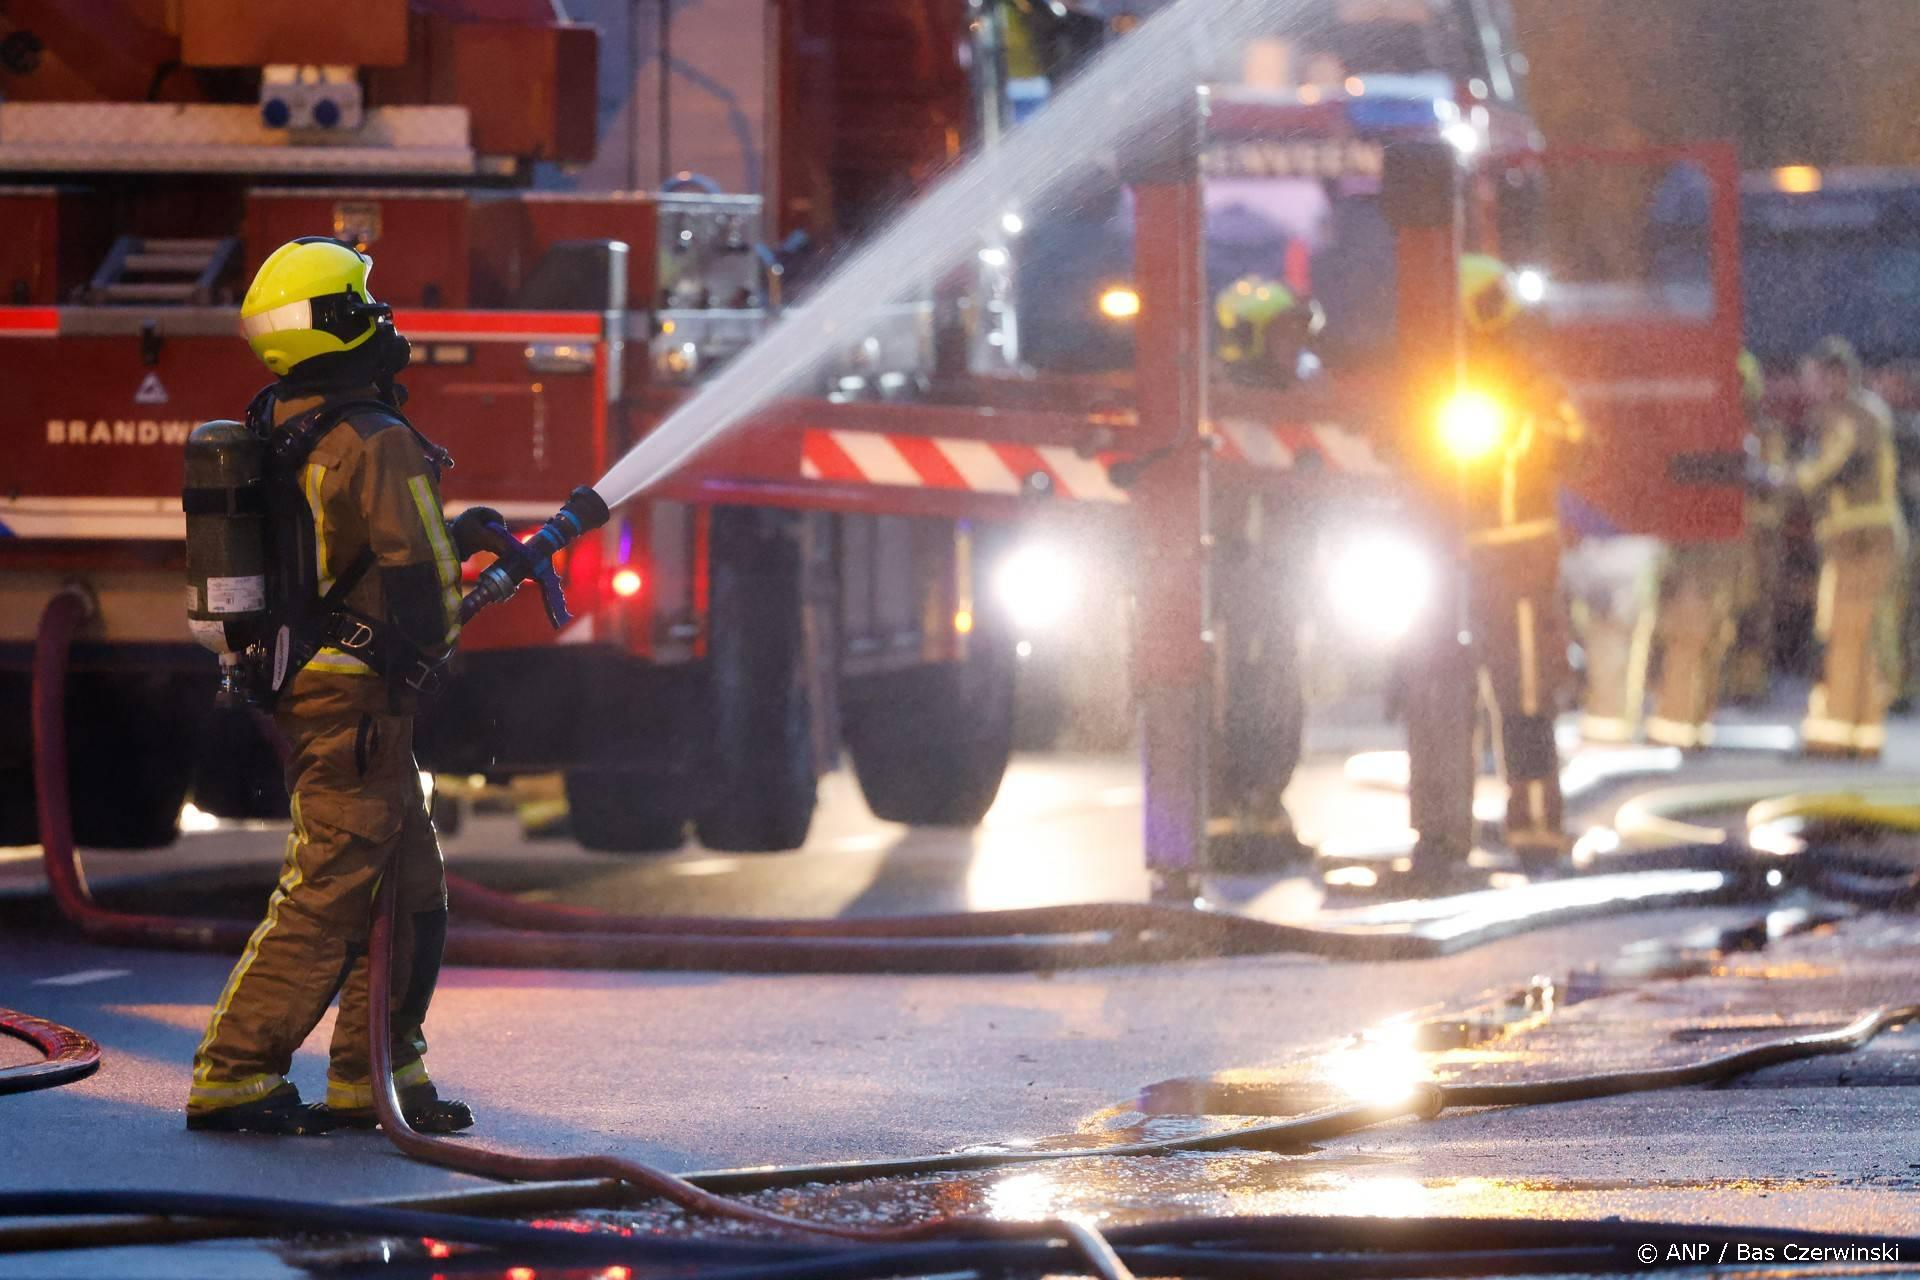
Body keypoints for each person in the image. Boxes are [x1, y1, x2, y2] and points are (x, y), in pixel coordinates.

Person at [186, 237, 476, 1135]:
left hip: (319, 688)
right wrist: (440, 635)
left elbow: (342, 556)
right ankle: (234, 1072)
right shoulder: (374, 438)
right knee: (328, 892)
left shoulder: (288, 419)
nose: (381, 316)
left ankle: (376, 1075)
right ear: (332, 323)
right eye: (365, 301)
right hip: (357, 702)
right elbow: (421, 578)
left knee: (409, 885)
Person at [1457, 254, 1586, 860]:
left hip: (1521, 559)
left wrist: (1537, 425)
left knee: (1528, 693)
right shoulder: (1449, 381)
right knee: (1490, 695)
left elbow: (1577, 443)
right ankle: (1511, 816)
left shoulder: (1534, 383)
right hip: (1468, 561)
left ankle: (1536, 819)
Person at [1643, 353, 1768, 748]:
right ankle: (1684, 722)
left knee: (1703, 637)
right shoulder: (1717, 432)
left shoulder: (1734, 432)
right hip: (1707, 555)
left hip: (1715, 556)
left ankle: (1687, 722)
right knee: (1696, 636)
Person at [1791, 336, 1907, 759]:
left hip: (1860, 543)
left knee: (1844, 634)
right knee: (1859, 635)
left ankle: (1835, 733)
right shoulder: (1868, 411)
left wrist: (1775, 479)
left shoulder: (1843, 416)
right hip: (1870, 541)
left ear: (1836, 376)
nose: (1810, 388)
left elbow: (1820, 471)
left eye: (1815, 378)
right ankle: (1859, 733)